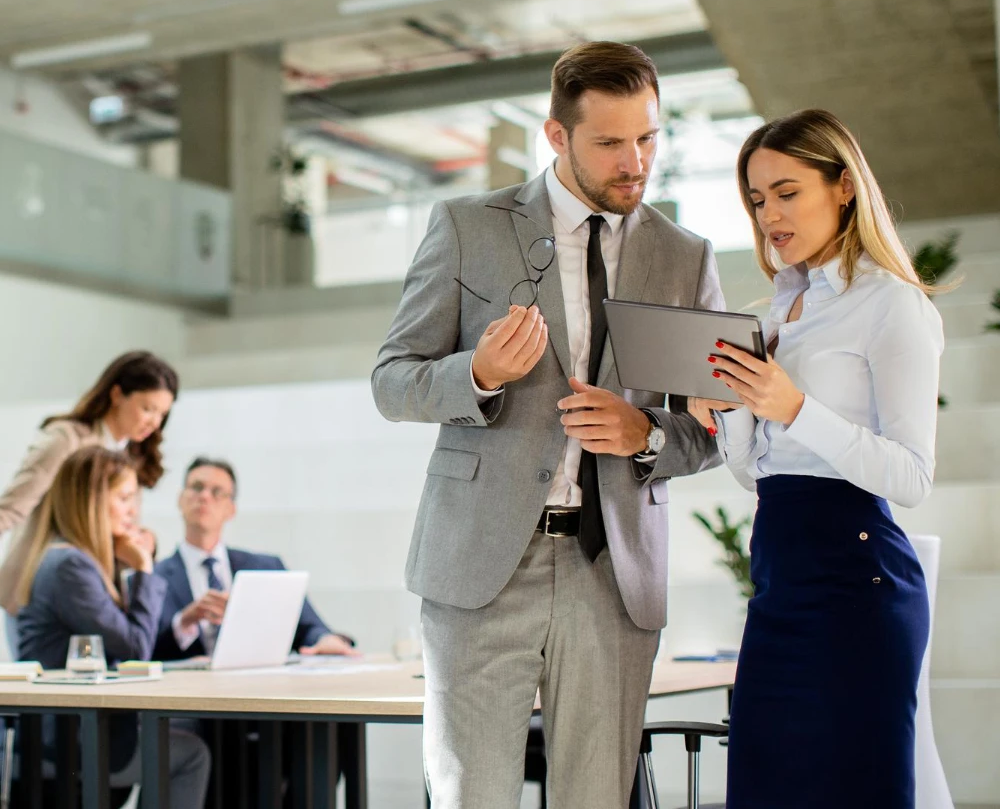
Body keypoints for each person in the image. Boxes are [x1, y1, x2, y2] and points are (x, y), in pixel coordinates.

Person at [371, 41, 724, 809]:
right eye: (609, 143)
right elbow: (391, 381)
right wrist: (478, 375)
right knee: (472, 796)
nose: (635, 161)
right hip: (481, 566)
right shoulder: (468, 226)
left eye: (648, 138)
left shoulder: (685, 258)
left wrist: (648, 434)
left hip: (614, 572)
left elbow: (712, 432)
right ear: (556, 137)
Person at [688, 109, 941, 808]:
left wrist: (793, 406)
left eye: (787, 190)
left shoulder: (893, 306)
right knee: (763, 789)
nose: (770, 212)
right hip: (779, 574)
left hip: (859, 582)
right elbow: (757, 473)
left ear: (843, 187)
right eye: (758, 198)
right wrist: (730, 409)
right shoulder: (772, 316)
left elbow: (912, 476)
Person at [15, 445, 210, 806]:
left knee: (188, 729)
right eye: (123, 498)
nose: (133, 511)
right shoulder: (70, 566)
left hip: (72, 727)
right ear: (90, 501)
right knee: (193, 754)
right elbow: (134, 647)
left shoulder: (77, 561)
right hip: (66, 737)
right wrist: (145, 569)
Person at [0, 350, 178, 654]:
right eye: (148, 408)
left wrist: (138, 543)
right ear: (117, 394)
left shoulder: (130, 456)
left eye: (162, 414)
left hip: (93, 591)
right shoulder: (66, 440)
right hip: (40, 589)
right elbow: (11, 508)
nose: (154, 423)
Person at [152, 457, 355, 662]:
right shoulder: (150, 577)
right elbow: (142, 651)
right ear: (180, 499)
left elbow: (309, 627)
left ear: (231, 509)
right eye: (197, 487)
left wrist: (325, 639)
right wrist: (183, 622)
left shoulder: (267, 568)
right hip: (186, 690)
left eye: (217, 492)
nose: (205, 496)